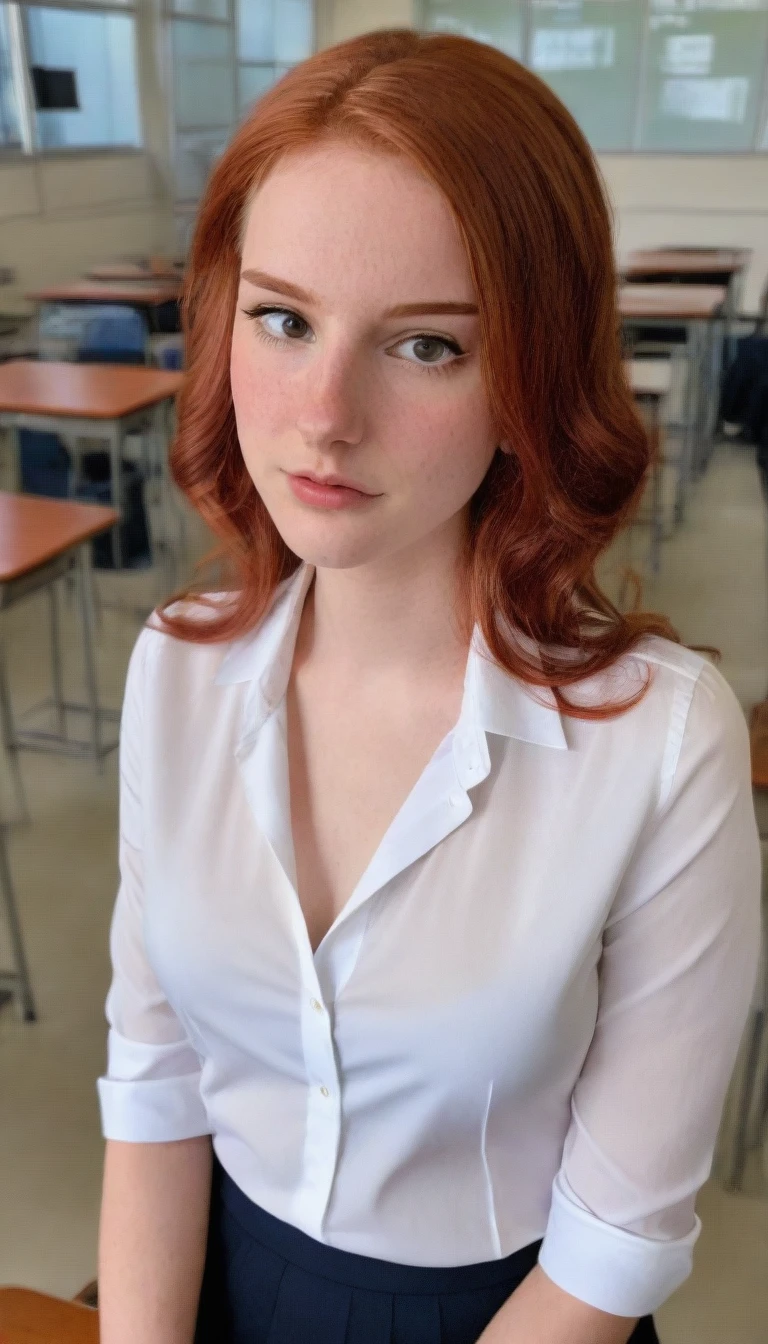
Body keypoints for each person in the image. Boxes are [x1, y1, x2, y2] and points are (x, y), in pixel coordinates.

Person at [96, 28, 761, 1344]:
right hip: (219, 1278)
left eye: (424, 349)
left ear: (531, 379)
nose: (324, 413)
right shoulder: (178, 671)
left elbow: (612, 1249)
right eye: (283, 319)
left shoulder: (662, 744)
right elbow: (157, 1090)